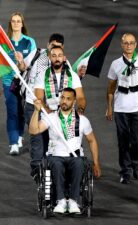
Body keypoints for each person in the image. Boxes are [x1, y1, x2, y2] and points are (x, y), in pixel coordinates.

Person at [29, 88, 101, 214]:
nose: (64, 101)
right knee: (56, 164)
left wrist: (96, 163)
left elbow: (92, 141)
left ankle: (73, 201)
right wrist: (36, 111)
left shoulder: (83, 120)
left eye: (68, 99)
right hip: (55, 156)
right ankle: (61, 201)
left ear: (74, 102)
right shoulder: (51, 117)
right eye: (62, 98)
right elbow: (34, 130)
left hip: (75, 156)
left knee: (79, 163)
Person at [27, 43, 86, 178]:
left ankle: (73, 173)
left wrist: (81, 110)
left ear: (64, 58)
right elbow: (39, 97)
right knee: (48, 147)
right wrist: (49, 112)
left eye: (59, 56)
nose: (57, 58)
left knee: (73, 147)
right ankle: (47, 173)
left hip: (69, 115)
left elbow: (81, 97)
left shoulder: (72, 75)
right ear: (49, 57)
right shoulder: (42, 75)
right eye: (54, 56)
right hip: (51, 115)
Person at [106, 33, 138, 184]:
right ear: (121, 45)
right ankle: (125, 170)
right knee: (123, 141)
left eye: (131, 43)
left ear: (136, 45)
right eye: (126, 43)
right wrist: (109, 107)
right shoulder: (115, 64)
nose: (128, 46)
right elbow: (110, 87)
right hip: (121, 108)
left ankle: (136, 162)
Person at [0, 12, 36, 155]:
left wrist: (21, 62)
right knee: (12, 112)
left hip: (26, 83)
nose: (16, 23)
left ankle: (19, 135)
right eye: (13, 21)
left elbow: (33, 62)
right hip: (8, 82)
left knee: (22, 111)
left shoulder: (30, 42)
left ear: (22, 24)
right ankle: (13, 143)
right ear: (10, 24)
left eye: (18, 21)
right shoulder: (5, 43)